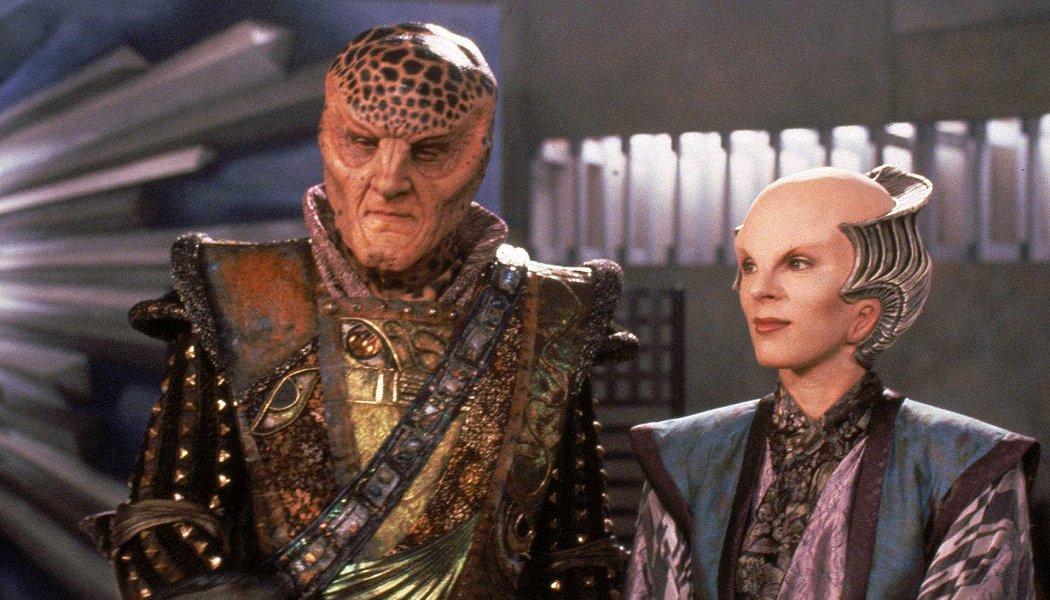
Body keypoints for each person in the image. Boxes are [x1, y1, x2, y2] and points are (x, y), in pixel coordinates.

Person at [85, 23, 633, 600]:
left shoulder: (550, 312)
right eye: (363, 144)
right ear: (326, 137)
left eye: (429, 151)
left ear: (479, 153)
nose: (389, 181)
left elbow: (576, 561)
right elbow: (163, 532)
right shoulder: (238, 296)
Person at [623, 166, 1039, 599]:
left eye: (797, 263)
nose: (760, 289)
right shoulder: (685, 456)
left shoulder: (965, 464)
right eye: (749, 265)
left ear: (865, 313)